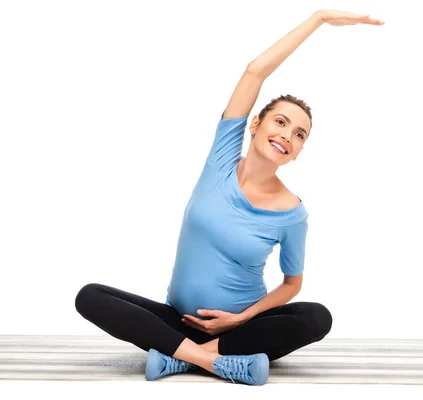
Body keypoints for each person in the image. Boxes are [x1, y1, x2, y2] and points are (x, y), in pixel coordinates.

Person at [75, 9, 384, 386]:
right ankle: (213, 362)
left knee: (317, 317)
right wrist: (317, 20)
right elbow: (255, 71)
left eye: (300, 134)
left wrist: (239, 319)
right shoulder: (221, 161)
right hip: (180, 319)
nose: (288, 135)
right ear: (255, 124)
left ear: (300, 151)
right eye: (281, 122)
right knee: (90, 296)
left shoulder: (292, 212)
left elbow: (291, 284)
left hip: (241, 329)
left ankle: (182, 355)